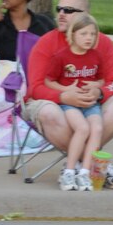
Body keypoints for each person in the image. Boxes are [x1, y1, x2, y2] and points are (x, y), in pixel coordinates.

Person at [24, 0, 113, 189]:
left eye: (69, 10)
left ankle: (79, 166)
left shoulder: (103, 43)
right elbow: (36, 88)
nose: (62, 14)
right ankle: (97, 167)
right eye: (59, 9)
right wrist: (64, 96)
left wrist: (100, 93)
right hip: (54, 102)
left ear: (86, 15)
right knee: (49, 112)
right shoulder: (47, 43)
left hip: (91, 104)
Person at [45, 13, 104, 192]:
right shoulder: (61, 57)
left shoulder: (95, 56)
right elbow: (49, 81)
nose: (88, 38)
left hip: (90, 103)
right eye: (84, 34)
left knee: (97, 128)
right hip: (69, 104)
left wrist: (96, 85)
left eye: (92, 34)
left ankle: (85, 172)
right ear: (73, 35)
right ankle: (69, 171)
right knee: (83, 128)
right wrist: (66, 91)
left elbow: (102, 79)